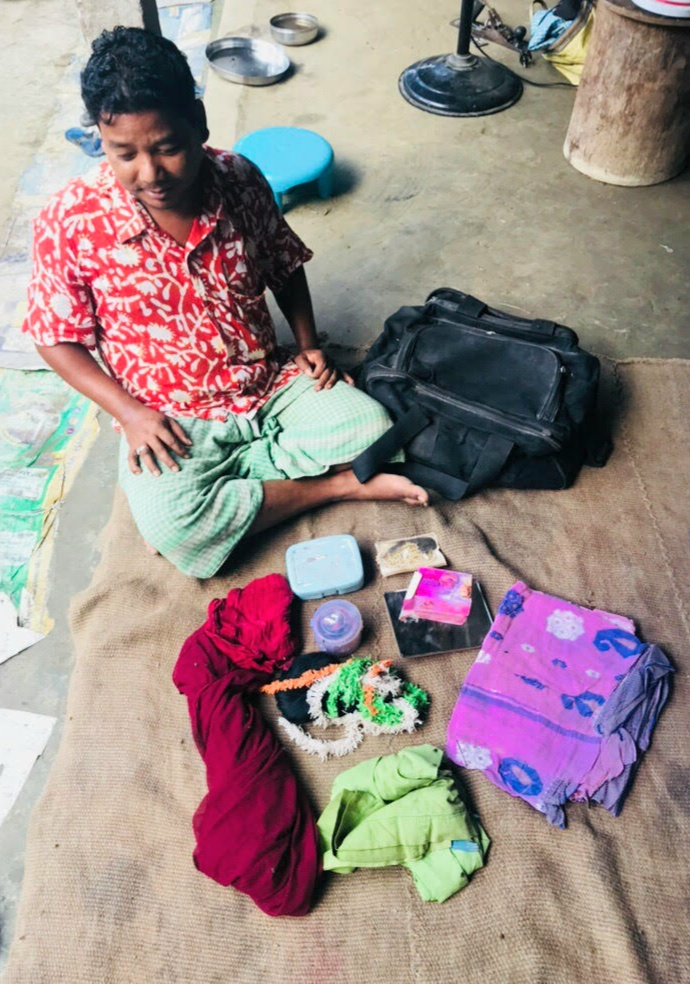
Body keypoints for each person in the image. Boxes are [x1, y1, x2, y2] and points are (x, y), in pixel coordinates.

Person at [23, 27, 428, 578]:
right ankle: (334, 487)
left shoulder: (238, 178)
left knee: (371, 426)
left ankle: (222, 498)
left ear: (199, 123)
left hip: (268, 384)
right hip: (171, 415)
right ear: (102, 139)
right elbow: (54, 338)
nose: (150, 173)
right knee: (177, 525)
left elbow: (285, 265)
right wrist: (131, 414)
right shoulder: (69, 220)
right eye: (125, 154)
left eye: (167, 147)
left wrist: (307, 346)